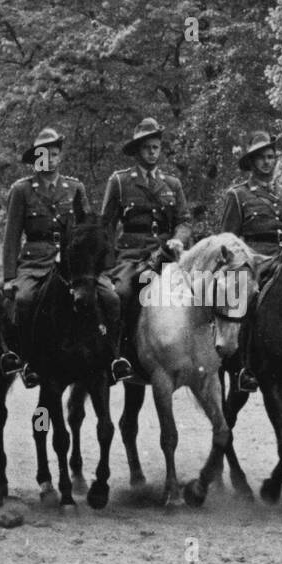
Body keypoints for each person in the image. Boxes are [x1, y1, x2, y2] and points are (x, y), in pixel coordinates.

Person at [0, 127, 123, 387]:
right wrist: (9, 277)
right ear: (36, 159)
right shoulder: (22, 190)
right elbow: (11, 237)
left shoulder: (74, 187)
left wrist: (101, 268)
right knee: (23, 301)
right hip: (36, 260)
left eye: (55, 154)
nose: (51, 159)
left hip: (73, 263)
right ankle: (27, 361)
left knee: (110, 297)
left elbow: (89, 229)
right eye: (45, 155)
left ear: (60, 157)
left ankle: (111, 358)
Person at [100, 117, 192, 381]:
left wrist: (178, 238)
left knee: (201, 292)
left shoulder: (172, 184)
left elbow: (184, 220)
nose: (152, 152)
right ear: (137, 151)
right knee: (121, 293)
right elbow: (106, 226)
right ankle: (119, 355)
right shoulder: (119, 182)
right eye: (147, 148)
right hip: (131, 257)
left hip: (167, 256)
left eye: (156, 147)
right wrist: (106, 267)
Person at [219, 130, 282, 392]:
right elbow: (228, 239)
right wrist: (244, 257)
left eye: (271, 157)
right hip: (254, 260)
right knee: (246, 298)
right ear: (252, 162)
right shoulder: (238, 195)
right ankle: (245, 365)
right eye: (262, 158)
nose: (268, 162)